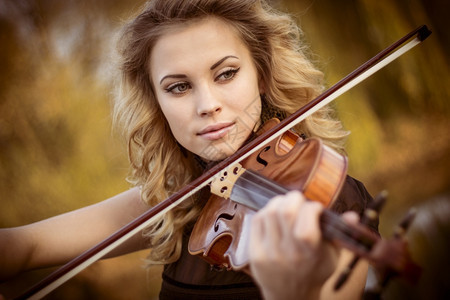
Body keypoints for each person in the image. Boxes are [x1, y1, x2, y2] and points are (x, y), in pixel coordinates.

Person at [0, 0, 378, 299]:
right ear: (157, 103)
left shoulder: (333, 201)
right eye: (178, 87)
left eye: (226, 73)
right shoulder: (178, 201)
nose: (207, 104)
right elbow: (24, 247)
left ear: (261, 75)